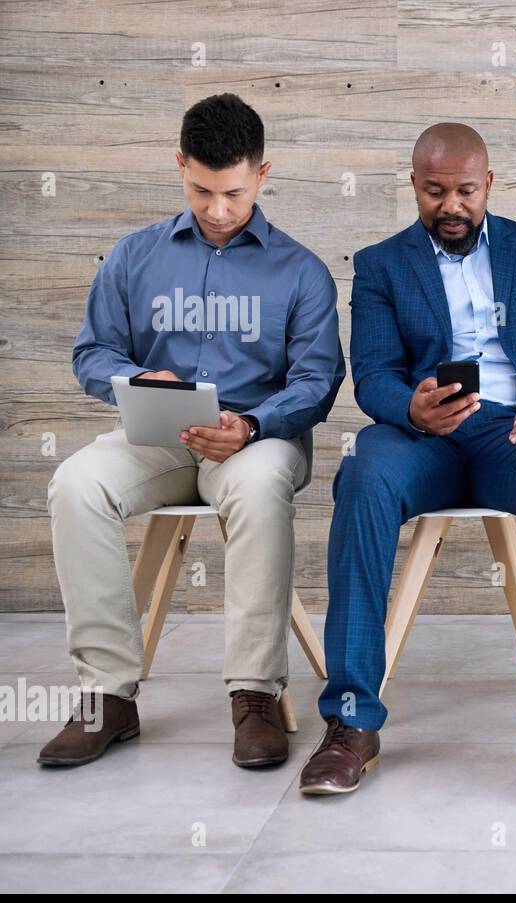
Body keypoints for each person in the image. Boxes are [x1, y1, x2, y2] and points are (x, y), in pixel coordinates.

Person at [299, 122, 516, 796]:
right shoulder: (381, 264)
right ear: (414, 185)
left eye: (465, 190)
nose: (452, 206)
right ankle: (351, 721)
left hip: (513, 432)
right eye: (435, 191)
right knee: (363, 473)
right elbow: (372, 371)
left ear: (488, 185)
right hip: (420, 432)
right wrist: (411, 408)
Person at [40, 93, 345, 769]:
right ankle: (108, 696)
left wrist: (253, 424)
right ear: (180, 166)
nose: (216, 209)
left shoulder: (301, 272)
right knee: (75, 484)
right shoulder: (133, 256)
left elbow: (318, 381)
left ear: (264, 175)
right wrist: (134, 381)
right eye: (201, 189)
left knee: (261, 485)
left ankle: (254, 696)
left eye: (233, 192)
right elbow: (92, 353)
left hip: (257, 441)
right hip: (158, 437)